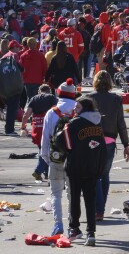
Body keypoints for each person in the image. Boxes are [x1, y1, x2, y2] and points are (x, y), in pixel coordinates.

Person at [57, 96, 106, 246]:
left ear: (84, 109)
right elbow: (102, 148)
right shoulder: (98, 124)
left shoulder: (73, 124)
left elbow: (61, 142)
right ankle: (91, 232)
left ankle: (75, 228)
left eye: (77, 107)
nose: (74, 110)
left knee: (75, 198)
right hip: (92, 166)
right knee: (90, 200)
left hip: (76, 165)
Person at [87, 70, 129, 221]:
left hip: (92, 140)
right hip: (110, 141)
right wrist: (126, 144)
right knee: (104, 175)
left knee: (94, 176)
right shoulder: (116, 99)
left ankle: (97, 209)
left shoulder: (88, 98)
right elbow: (121, 123)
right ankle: (101, 209)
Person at [40, 79, 77, 236]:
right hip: (74, 159)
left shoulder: (51, 112)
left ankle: (58, 224)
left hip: (56, 158)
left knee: (55, 193)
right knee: (72, 193)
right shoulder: (79, 110)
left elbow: (45, 138)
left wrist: (46, 158)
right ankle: (72, 224)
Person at [21, 84, 58, 180]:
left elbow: (26, 114)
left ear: (39, 91)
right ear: (49, 91)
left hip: (36, 126)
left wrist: (23, 126)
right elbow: (56, 111)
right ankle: (38, 171)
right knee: (47, 150)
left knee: (42, 148)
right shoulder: (51, 97)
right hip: (47, 125)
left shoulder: (34, 99)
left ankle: (46, 173)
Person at [1, 40, 23, 135]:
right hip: (13, 87)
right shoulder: (14, 55)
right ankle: (9, 129)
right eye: (18, 47)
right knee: (12, 108)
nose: (19, 49)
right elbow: (21, 68)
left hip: (3, 87)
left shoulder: (3, 58)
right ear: (14, 47)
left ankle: (8, 128)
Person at [20, 37, 48, 102]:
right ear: (35, 44)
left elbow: (20, 69)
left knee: (29, 98)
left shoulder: (23, 56)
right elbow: (45, 68)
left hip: (27, 81)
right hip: (38, 80)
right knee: (37, 99)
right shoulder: (41, 55)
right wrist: (45, 78)